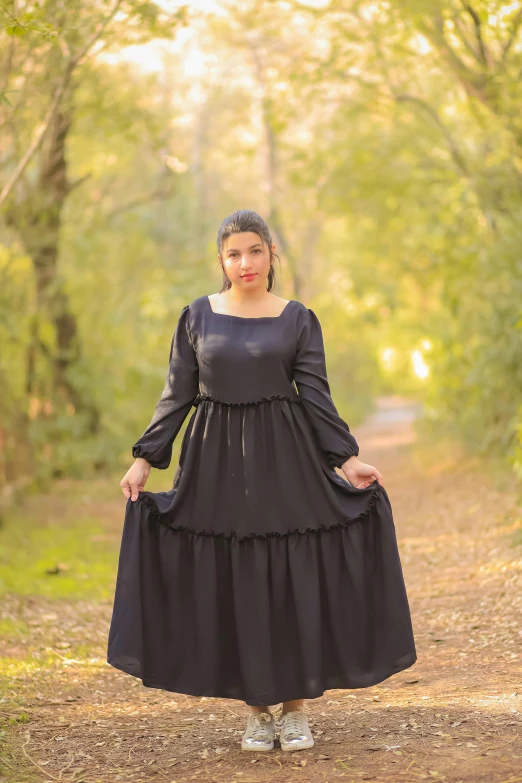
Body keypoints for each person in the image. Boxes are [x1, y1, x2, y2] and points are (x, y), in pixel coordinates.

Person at [107, 209, 417, 753]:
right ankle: (256, 711)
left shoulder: (297, 318)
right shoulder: (196, 317)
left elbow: (315, 397)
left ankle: (295, 709)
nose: (244, 262)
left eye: (254, 250)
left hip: (286, 461)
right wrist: (144, 459)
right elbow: (176, 393)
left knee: (290, 571)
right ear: (221, 261)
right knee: (234, 574)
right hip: (213, 464)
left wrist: (347, 460)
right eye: (233, 253)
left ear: (272, 254)